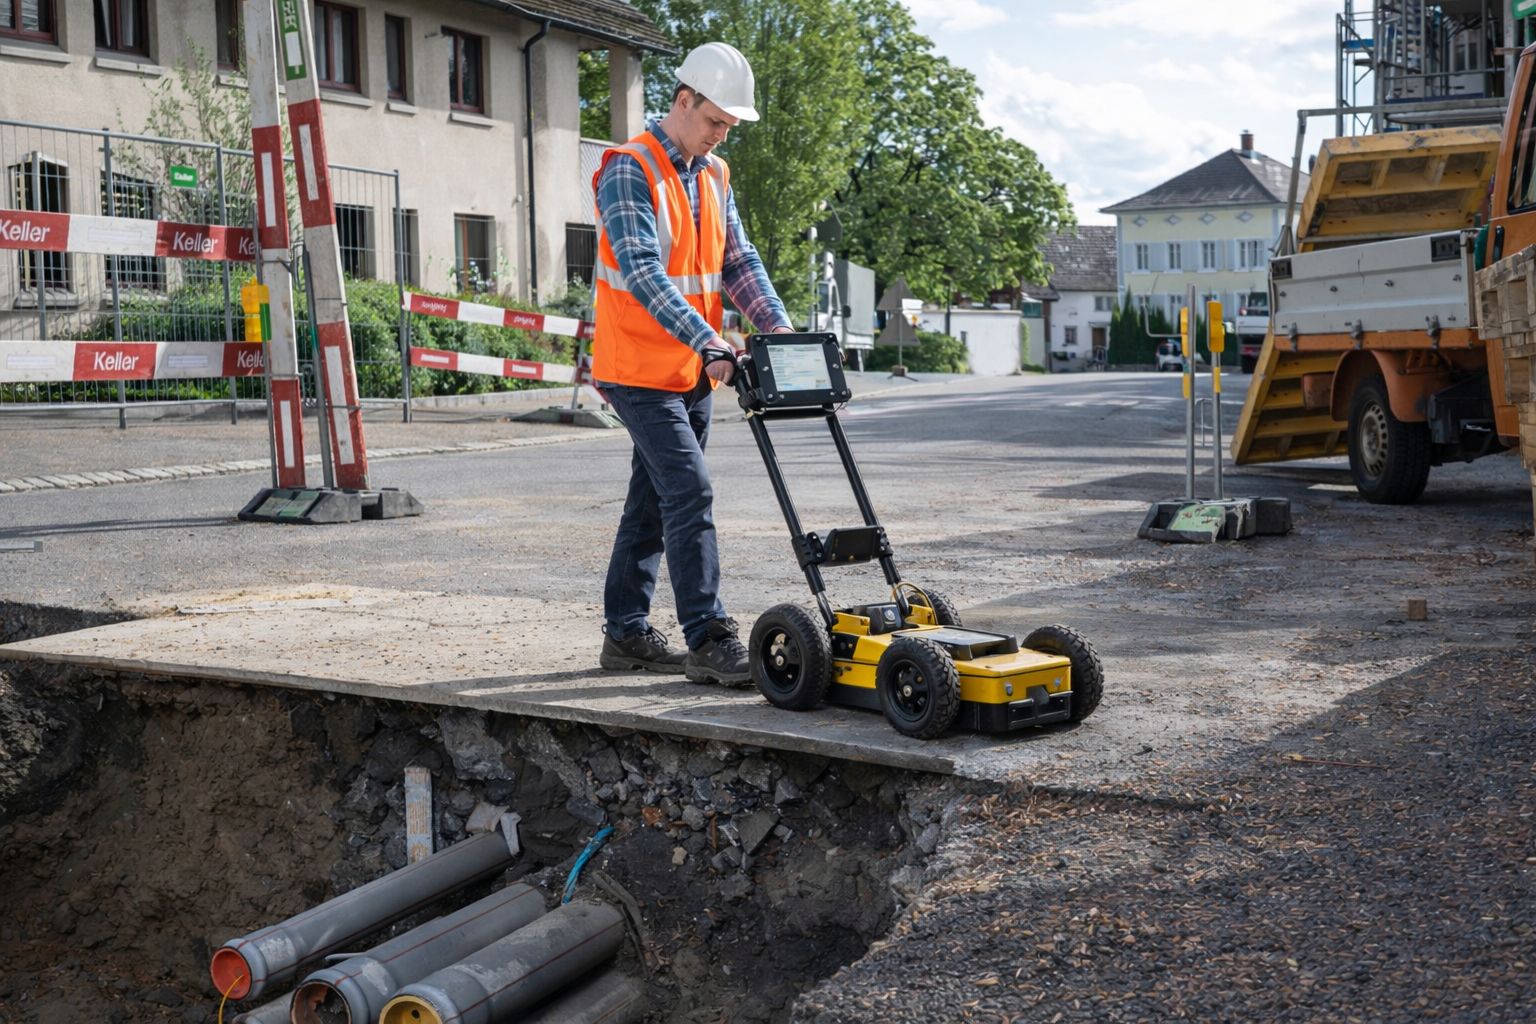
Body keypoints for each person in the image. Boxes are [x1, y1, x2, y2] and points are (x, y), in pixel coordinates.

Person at [590, 41, 794, 686]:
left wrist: (777, 326)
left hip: (691, 371)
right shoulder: (629, 167)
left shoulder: (715, 173)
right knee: (690, 490)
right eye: (714, 121)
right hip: (635, 367)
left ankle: (625, 635)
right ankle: (707, 636)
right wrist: (710, 339)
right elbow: (645, 272)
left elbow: (738, 262)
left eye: (728, 127)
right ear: (683, 100)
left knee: (653, 502)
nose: (719, 135)